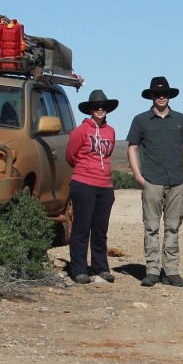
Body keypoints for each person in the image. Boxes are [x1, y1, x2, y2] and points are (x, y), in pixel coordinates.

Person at [127, 76, 183, 288]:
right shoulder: (140, 120)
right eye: (157, 94)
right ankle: (152, 271)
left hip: (176, 180)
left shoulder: (180, 119)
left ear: (169, 95)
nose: (161, 97)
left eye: (164, 93)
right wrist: (138, 176)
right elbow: (132, 147)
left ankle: (172, 271)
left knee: (173, 227)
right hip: (152, 180)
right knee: (152, 227)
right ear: (151, 96)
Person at [66, 90, 119, 284]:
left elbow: (108, 153)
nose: (100, 109)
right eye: (96, 106)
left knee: (100, 229)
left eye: (103, 106)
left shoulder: (110, 131)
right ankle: (79, 269)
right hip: (84, 183)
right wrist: (85, 170)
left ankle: (101, 267)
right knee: (82, 227)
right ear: (90, 109)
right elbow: (70, 155)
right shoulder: (80, 131)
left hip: (105, 186)